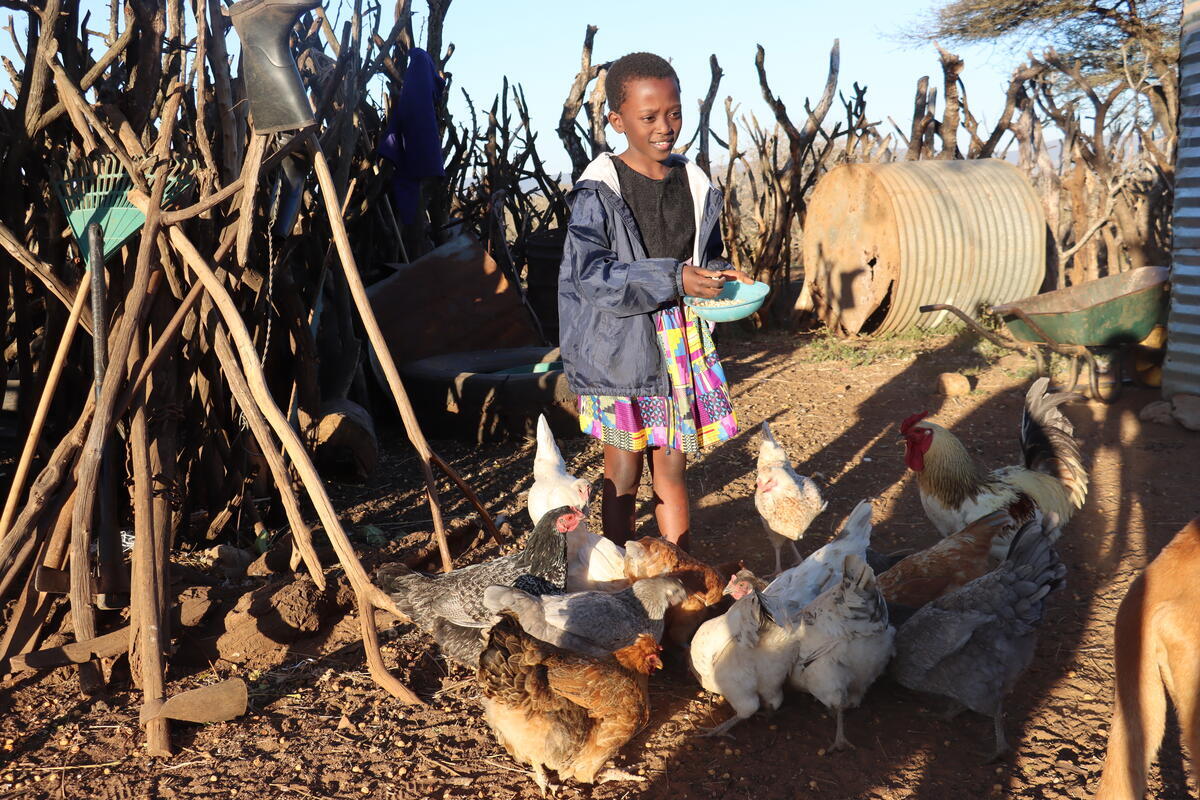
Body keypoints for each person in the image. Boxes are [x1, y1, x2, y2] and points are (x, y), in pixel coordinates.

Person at [557, 51, 751, 552]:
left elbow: (698, 257)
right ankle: (622, 573)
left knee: (672, 464)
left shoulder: (694, 182)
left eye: (674, 112)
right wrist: (675, 277)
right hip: (621, 349)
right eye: (648, 117)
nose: (665, 127)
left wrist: (718, 271)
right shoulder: (598, 193)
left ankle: (680, 568)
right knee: (623, 469)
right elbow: (592, 275)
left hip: (680, 346)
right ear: (617, 121)